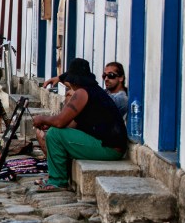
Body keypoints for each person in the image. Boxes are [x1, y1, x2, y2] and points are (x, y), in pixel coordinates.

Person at [32, 58, 128, 192]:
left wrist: (42, 118)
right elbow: (70, 124)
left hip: (109, 149)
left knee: (54, 134)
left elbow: (60, 121)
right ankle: (55, 175)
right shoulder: (92, 91)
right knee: (55, 132)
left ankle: (58, 180)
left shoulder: (82, 93)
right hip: (108, 146)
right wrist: (50, 123)